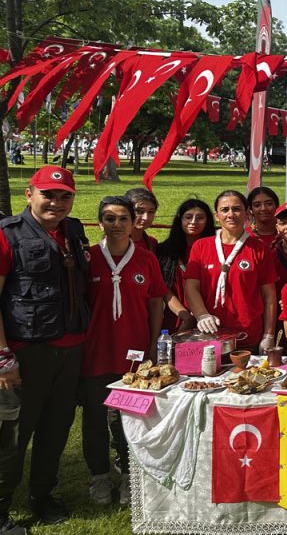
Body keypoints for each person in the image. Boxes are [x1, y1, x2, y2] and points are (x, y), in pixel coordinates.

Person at [0, 166, 91, 529]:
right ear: (29, 194)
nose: (56, 202)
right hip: (26, 351)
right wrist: (4, 356)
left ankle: (43, 495)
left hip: (70, 349)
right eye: (48, 194)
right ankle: (2, 510)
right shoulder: (8, 235)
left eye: (65, 195)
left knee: (56, 428)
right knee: (14, 436)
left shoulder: (74, 231)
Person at [80, 196, 166, 506]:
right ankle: (100, 476)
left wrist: (153, 343)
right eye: (109, 218)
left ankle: (130, 475)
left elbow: (156, 301)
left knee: (130, 419)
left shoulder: (146, 260)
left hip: (134, 356)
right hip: (95, 353)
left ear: (133, 223)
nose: (117, 225)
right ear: (100, 222)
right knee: (94, 418)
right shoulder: (88, 259)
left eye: (123, 219)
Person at [185, 191, 277, 352]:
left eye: (236, 209)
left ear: (247, 213)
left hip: (249, 336)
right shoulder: (201, 246)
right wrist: (201, 315)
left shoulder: (259, 248)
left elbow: (269, 296)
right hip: (210, 335)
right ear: (216, 215)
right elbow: (191, 286)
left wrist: (268, 335)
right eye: (225, 209)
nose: (231, 214)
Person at [155, 199, 212, 333]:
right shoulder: (164, 250)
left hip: (209, 318)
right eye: (188, 217)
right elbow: (164, 289)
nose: (193, 222)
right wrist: (186, 317)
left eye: (200, 218)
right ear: (179, 220)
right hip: (176, 317)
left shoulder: (215, 249)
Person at [124, 187, 159, 252]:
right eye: (139, 211)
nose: (146, 218)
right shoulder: (113, 244)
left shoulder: (153, 243)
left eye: (151, 212)